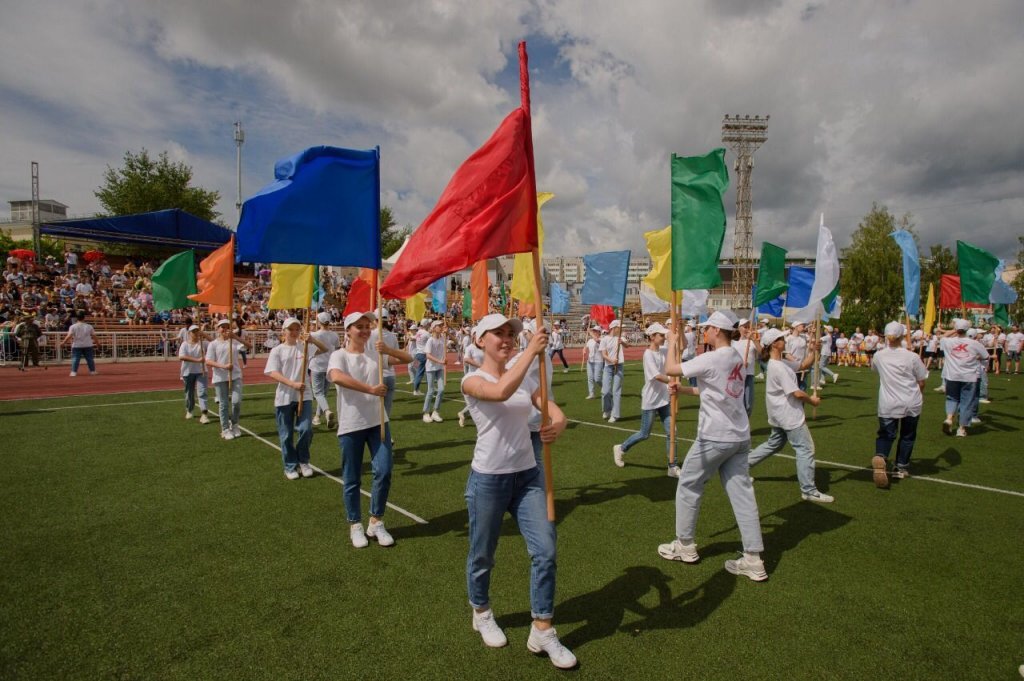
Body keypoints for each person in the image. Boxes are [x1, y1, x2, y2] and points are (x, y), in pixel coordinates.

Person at [460, 314, 575, 668]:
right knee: (483, 554)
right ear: (480, 340)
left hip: (528, 477)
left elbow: (552, 409)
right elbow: (500, 392)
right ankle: (481, 611)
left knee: (546, 550)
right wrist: (531, 351)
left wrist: (558, 423)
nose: (507, 338)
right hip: (489, 479)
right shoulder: (471, 380)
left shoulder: (523, 376)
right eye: (498, 333)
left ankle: (542, 626)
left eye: (511, 333)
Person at [657, 310, 768, 582]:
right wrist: (684, 391)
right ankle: (753, 558)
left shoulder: (712, 357)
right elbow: (721, 390)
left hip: (715, 436)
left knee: (689, 485)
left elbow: (671, 370)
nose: (704, 332)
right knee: (742, 493)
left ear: (717, 331)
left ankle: (685, 545)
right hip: (740, 436)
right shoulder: (736, 357)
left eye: (707, 328)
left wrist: (672, 341)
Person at [328, 311, 412, 548]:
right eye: (359, 327)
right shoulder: (339, 355)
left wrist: (388, 350)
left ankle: (375, 521)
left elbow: (409, 358)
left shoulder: (376, 352)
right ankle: (355, 524)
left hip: (379, 422)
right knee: (352, 478)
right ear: (348, 331)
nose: (365, 330)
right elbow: (336, 376)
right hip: (351, 424)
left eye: (367, 326)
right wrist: (370, 389)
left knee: (384, 471)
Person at [748, 327, 833, 503]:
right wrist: (813, 401)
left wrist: (813, 351)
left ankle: (742, 466)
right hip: (789, 415)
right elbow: (796, 393)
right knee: (805, 448)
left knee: (774, 444)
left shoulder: (780, 364)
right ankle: (808, 490)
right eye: (781, 339)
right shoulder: (779, 367)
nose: (785, 341)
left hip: (779, 414)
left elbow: (803, 365)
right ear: (774, 344)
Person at [265, 317, 329, 480]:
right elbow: (272, 372)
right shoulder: (277, 350)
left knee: (306, 429)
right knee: (286, 434)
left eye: (296, 329)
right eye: (290, 329)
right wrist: (291, 384)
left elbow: (325, 349)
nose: (294, 332)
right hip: (284, 397)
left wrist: (312, 338)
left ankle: (303, 461)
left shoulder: (305, 347)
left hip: (304, 395)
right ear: (284, 331)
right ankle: (290, 466)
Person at [612, 323, 680, 476]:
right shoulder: (648, 354)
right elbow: (656, 375)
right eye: (661, 335)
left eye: (664, 335)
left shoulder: (663, 350)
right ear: (652, 337)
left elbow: (680, 347)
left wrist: (679, 329)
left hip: (664, 399)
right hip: (650, 400)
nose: (663, 338)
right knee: (644, 434)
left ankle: (672, 466)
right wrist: (671, 380)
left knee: (672, 432)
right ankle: (621, 448)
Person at [870, 322, 929, 488]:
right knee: (907, 435)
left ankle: (881, 456)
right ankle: (901, 466)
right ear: (902, 336)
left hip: (888, 402)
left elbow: (874, 370)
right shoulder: (912, 357)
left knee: (886, 435)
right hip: (911, 401)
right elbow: (922, 381)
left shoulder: (879, 355)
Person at [938, 319, 988, 437]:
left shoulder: (948, 342)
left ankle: (949, 418)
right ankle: (961, 428)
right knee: (967, 401)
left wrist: (953, 330)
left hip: (952, 375)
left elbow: (942, 336)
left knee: (951, 398)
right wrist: (975, 357)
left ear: (956, 329)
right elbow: (986, 356)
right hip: (969, 376)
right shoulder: (975, 343)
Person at [205, 319, 250, 440]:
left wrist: (235, 336)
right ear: (217, 329)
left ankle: (234, 424)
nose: (224, 329)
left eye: (227, 327)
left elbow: (248, 346)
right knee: (224, 404)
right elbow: (208, 361)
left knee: (236, 401)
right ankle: (225, 429)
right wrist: (223, 366)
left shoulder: (234, 342)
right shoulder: (213, 344)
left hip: (235, 375)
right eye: (222, 327)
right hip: (220, 377)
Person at [309, 311, 341, 428]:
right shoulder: (334, 335)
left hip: (317, 365)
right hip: (329, 365)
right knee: (323, 393)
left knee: (318, 393)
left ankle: (326, 411)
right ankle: (317, 417)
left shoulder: (315, 335)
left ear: (319, 322)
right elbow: (338, 350)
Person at [178, 324, 210, 424]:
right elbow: (181, 357)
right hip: (188, 372)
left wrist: (204, 333)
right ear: (189, 333)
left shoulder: (203, 343)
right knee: (189, 393)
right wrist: (197, 360)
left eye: (197, 331)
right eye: (193, 331)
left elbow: (214, 342)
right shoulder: (184, 344)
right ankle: (189, 410)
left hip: (201, 371)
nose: (196, 333)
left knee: (202, 392)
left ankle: (204, 414)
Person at [731, 319, 759, 417]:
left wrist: (753, 340)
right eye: (744, 326)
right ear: (739, 328)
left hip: (749, 375)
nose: (747, 328)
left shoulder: (751, 342)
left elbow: (762, 353)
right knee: (738, 402)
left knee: (748, 404)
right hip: (737, 375)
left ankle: (745, 423)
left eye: (748, 326)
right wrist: (740, 364)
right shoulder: (733, 343)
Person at [458, 326, 484, 428]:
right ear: (473, 335)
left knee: (480, 401)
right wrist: (480, 365)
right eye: (478, 334)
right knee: (479, 401)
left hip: (484, 377)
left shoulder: (484, 347)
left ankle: (463, 413)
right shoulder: (470, 348)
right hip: (474, 378)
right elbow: (466, 359)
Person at [422, 320, 447, 423]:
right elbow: (428, 355)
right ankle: (426, 413)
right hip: (431, 368)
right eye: (439, 326)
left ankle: (436, 411)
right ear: (433, 328)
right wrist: (440, 361)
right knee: (431, 390)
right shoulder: (430, 340)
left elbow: (456, 341)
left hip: (439, 368)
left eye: (441, 326)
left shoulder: (443, 339)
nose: (441, 327)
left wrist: (448, 333)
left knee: (441, 389)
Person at [600, 319, 625, 422]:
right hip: (608, 367)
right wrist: (611, 360)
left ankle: (615, 415)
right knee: (605, 391)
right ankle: (607, 410)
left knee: (616, 391)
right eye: (620, 327)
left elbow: (628, 345)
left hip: (619, 366)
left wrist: (622, 342)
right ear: (614, 328)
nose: (622, 329)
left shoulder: (621, 337)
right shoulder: (604, 339)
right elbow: (603, 355)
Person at [411, 319, 431, 396]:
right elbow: (432, 341)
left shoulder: (418, 332)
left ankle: (428, 386)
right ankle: (416, 390)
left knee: (423, 371)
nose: (429, 325)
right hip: (423, 354)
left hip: (418, 353)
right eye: (428, 324)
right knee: (422, 372)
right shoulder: (426, 333)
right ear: (425, 325)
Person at [584, 326, 603, 399]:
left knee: (597, 379)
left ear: (599, 332)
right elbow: (586, 346)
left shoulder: (602, 339)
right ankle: (591, 394)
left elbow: (597, 340)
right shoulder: (590, 340)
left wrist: (590, 332)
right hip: (590, 361)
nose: (594, 332)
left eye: (596, 331)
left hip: (598, 361)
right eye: (593, 330)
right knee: (590, 378)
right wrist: (584, 350)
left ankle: (605, 387)